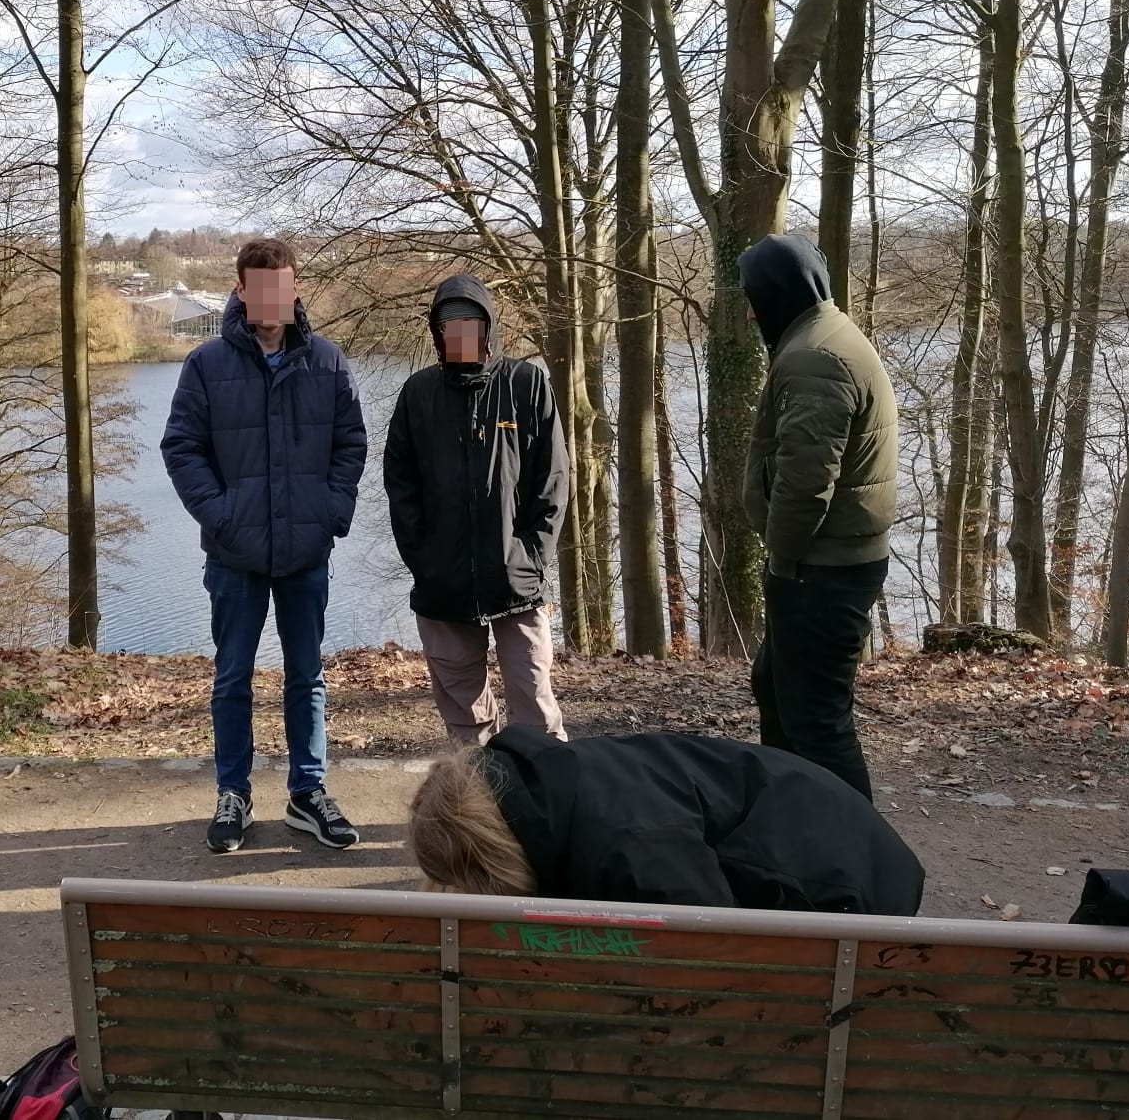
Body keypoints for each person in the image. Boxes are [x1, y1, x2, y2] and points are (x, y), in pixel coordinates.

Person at [161, 238, 368, 854]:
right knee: (232, 678)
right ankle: (234, 793)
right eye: (260, 288)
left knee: (307, 676)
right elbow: (182, 448)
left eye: (282, 286)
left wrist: (330, 513)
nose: (272, 299)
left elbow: (351, 444)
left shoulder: (327, 362)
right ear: (242, 292)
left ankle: (308, 792)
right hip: (235, 555)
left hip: (305, 552)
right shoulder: (206, 365)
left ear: (295, 290)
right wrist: (221, 517)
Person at [406, 726, 924, 916]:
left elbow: (714, 940)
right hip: (813, 814)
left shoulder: (633, 850)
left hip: (852, 885)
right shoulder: (541, 783)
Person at [740, 233, 899, 801]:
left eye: (755, 298)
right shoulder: (823, 335)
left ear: (781, 293)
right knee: (776, 688)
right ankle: (793, 820)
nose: (750, 312)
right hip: (827, 562)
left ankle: (852, 845)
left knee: (817, 723)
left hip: (821, 568)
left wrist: (782, 560)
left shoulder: (814, 356)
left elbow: (806, 483)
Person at [384, 274, 568, 745]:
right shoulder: (418, 395)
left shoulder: (526, 384)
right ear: (437, 333)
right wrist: (424, 562)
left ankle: (545, 788)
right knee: (467, 725)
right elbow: (401, 486)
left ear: (489, 329)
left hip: (516, 582)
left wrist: (530, 558)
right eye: (451, 327)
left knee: (535, 710)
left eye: (471, 325)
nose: (462, 335)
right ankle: (479, 791)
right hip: (443, 588)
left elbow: (553, 481)